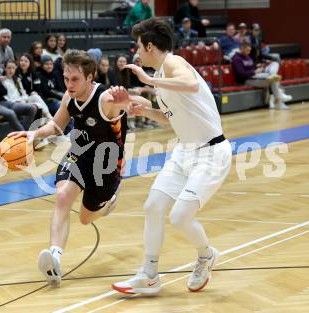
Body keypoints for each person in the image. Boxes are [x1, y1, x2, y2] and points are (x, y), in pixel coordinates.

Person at [112, 17, 232, 295]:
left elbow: (190, 84)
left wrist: (147, 80)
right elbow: (170, 118)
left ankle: (206, 255)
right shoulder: (164, 78)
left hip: (212, 152)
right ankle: (149, 275)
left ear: (151, 46)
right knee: (153, 206)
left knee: (180, 216)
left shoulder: (173, 64)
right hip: (184, 151)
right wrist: (146, 112)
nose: (137, 53)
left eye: (139, 47)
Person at [9, 49, 129, 286]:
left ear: (89, 77)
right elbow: (56, 126)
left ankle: (109, 201)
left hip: (106, 164)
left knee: (86, 218)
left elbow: (122, 107)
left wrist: (125, 102)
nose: (69, 83)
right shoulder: (69, 97)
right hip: (79, 152)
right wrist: (33, 133)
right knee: (63, 196)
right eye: (66, 78)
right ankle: (55, 257)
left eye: (74, 79)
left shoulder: (106, 99)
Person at [0, 52, 37, 130]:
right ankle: (24, 136)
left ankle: (26, 133)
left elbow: (4, 91)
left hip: (4, 102)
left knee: (32, 108)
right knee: (10, 113)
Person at [231, 42, 291, 110]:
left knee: (274, 68)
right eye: (247, 50)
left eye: (250, 50)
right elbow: (241, 74)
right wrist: (254, 72)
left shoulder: (248, 57)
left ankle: (278, 99)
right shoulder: (236, 59)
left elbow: (252, 67)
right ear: (242, 49)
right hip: (247, 80)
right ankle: (279, 98)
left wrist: (259, 67)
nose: (249, 52)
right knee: (274, 78)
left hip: (255, 76)